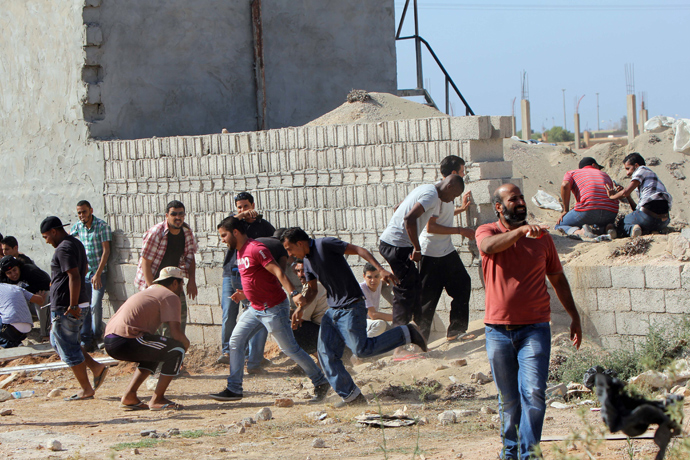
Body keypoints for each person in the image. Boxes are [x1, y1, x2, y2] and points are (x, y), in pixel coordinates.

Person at [476, 184, 582, 460]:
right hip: (497, 331)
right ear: (499, 207)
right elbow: (488, 247)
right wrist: (521, 231)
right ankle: (510, 452)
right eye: (513, 199)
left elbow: (557, 279)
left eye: (522, 197)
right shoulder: (487, 231)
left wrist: (574, 316)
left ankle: (529, 454)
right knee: (509, 400)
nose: (520, 202)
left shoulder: (543, 239)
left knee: (534, 393)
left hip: (535, 328)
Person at [281, 227, 428, 407]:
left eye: (289, 249)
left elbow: (360, 250)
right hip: (332, 311)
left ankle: (407, 333)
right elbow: (312, 290)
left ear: (300, 243)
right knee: (326, 354)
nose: (289, 254)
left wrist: (380, 269)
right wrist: (301, 307)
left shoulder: (325, 244)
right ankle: (352, 397)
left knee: (361, 350)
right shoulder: (307, 261)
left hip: (351, 305)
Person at [210, 217, 329, 403]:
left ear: (235, 232)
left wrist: (294, 293)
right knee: (235, 341)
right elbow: (257, 280)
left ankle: (321, 381)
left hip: (273, 308)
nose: (222, 240)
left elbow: (278, 272)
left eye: (224, 235)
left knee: (290, 349)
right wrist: (245, 295)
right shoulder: (240, 252)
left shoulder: (256, 249)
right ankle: (234, 388)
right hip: (255, 308)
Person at [378, 175, 465, 330]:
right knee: (404, 290)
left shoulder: (426, 188)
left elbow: (399, 207)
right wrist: (416, 248)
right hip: (396, 245)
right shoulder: (432, 195)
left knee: (416, 286)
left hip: (397, 243)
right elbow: (409, 218)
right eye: (454, 195)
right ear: (449, 186)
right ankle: (400, 339)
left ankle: (417, 334)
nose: (452, 199)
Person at [41, 216, 108, 401]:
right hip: (72, 303)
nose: (46, 241)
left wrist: (72, 304)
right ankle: (95, 367)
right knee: (60, 343)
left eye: (46, 236)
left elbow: (75, 276)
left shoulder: (63, 248)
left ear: (54, 231)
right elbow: (83, 269)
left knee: (68, 347)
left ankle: (86, 389)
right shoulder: (75, 243)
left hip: (68, 307)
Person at [104, 267, 190, 411]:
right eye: (182, 284)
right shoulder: (170, 296)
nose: (182, 288)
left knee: (155, 351)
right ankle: (158, 399)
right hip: (126, 339)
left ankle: (129, 396)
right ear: (175, 283)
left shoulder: (150, 291)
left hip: (111, 339)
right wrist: (185, 348)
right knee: (177, 348)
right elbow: (176, 334)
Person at [418, 155, 475, 341]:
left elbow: (443, 215)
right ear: (452, 174)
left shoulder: (450, 192)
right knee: (428, 300)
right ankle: (418, 343)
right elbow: (431, 227)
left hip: (446, 251)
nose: (464, 174)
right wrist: (460, 230)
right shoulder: (436, 194)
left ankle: (456, 332)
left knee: (462, 285)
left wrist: (461, 209)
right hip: (430, 253)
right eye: (462, 171)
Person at [217, 192, 276, 366]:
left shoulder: (264, 226)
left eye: (246, 206)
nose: (243, 210)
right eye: (239, 207)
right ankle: (227, 352)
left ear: (253, 205)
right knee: (229, 312)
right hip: (231, 273)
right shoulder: (234, 224)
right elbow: (224, 226)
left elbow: (274, 245)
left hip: (252, 275)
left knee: (255, 313)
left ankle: (253, 356)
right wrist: (240, 216)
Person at [134, 200, 198, 334]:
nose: (178, 217)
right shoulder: (156, 232)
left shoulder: (186, 232)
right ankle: (158, 351)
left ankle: (175, 350)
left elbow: (190, 257)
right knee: (157, 325)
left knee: (178, 319)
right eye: (174, 214)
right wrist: (152, 289)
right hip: (153, 283)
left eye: (181, 214)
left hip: (173, 283)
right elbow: (146, 262)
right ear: (167, 216)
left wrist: (192, 281)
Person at [71, 200, 113, 351]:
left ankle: (97, 335)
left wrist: (98, 274)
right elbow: (68, 240)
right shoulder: (78, 227)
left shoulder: (102, 227)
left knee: (95, 304)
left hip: (99, 273)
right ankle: (86, 339)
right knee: (85, 306)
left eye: (84, 212)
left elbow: (106, 251)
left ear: (91, 210)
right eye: (79, 213)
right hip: (84, 274)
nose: (82, 215)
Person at [605, 152, 672, 238]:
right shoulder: (650, 180)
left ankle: (633, 228)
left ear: (636, 165)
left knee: (622, 223)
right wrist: (628, 197)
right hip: (663, 221)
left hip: (647, 217)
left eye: (628, 168)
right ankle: (653, 230)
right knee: (641, 219)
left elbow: (625, 192)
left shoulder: (641, 169)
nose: (627, 173)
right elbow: (637, 210)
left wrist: (612, 197)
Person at [555, 157, 619, 239]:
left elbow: (564, 185)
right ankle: (608, 227)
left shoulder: (572, 173)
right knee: (598, 223)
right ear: (594, 165)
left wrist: (566, 210)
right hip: (611, 212)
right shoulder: (605, 175)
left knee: (559, 225)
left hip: (589, 210)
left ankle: (581, 232)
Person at [290, 260, 329, 355]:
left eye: (303, 271)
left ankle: (321, 359)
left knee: (295, 327)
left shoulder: (313, 287)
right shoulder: (315, 283)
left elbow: (301, 318)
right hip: (327, 330)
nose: (300, 274)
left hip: (326, 332)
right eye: (298, 271)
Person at [0, 283, 45, 348]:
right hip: (26, 330)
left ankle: (12, 345)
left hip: (10, 329)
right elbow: (40, 300)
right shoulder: (14, 287)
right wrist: (41, 297)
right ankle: (17, 343)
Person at [360, 263, 393, 338]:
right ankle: (360, 345)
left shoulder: (379, 283)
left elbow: (392, 277)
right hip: (358, 324)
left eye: (376, 276)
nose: (373, 280)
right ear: (364, 276)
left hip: (369, 324)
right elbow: (373, 315)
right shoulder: (361, 289)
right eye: (369, 277)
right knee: (380, 324)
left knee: (392, 331)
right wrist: (398, 316)